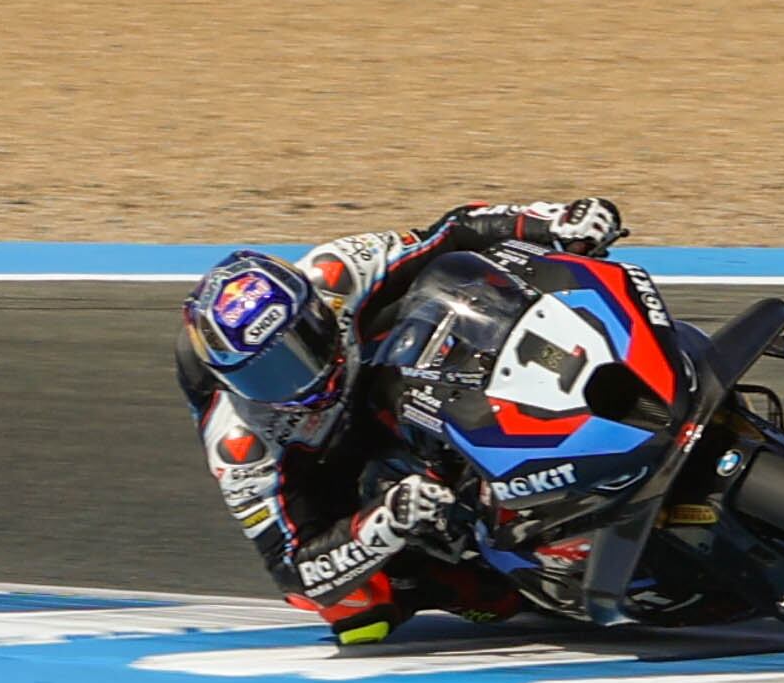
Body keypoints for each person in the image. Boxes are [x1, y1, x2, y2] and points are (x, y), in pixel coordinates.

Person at [179, 197, 630, 644]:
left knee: (476, 282)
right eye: (267, 376)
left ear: (315, 309)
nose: (298, 380)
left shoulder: (338, 271)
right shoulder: (240, 442)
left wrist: (552, 222)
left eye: (301, 345)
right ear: (231, 382)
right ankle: (486, 578)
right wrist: (383, 522)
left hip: (387, 366)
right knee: (359, 612)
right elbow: (293, 568)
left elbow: (452, 232)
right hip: (335, 471)